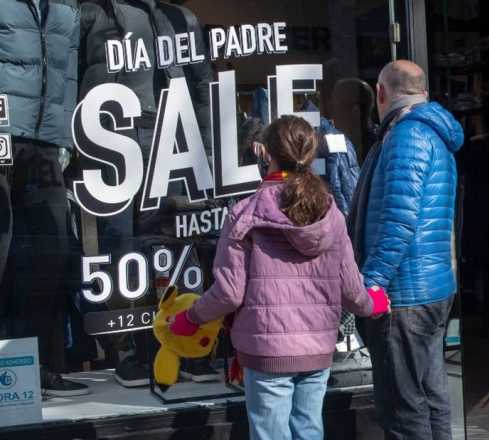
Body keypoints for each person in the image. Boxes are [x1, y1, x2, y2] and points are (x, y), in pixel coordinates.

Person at [168, 115, 390, 440]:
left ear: (266, 153)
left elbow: (229, 293)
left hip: (267, 349)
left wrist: (190, 318)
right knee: (309, 430)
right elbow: (351, 288)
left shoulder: (244, 213)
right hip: (317, 347)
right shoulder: (331, 212)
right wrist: (374, 303)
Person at [350, 60, 464, 439]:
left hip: (404, 295)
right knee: (429, 396)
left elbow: (399, 219)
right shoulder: (431, 134)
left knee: (402, 407)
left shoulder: (406, 136)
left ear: (381, 94)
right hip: (431, 288)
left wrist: (370, 285)